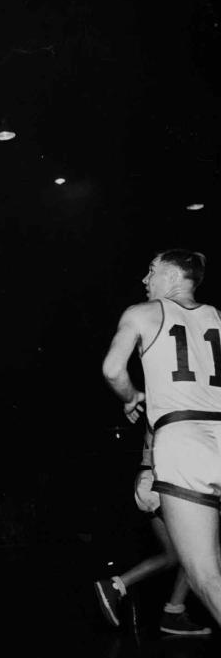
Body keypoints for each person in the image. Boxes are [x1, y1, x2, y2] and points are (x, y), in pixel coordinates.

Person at [101, 248, 221, 627]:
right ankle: (174, 611)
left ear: (171, 278)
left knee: (204, 574)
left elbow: (113, 369)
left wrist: (131, 395)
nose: (145, 280)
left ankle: (171, 610)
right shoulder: (218, 318)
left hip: (183, 439)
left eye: (151, 271)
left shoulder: (142, 313)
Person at [93, 424, 210, 635]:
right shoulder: (183, 408)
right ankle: (118, 588)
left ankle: (171, 611)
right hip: (163, 483)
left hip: (148, 482)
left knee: (175, 555)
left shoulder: (165, 404)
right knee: (199, 550)